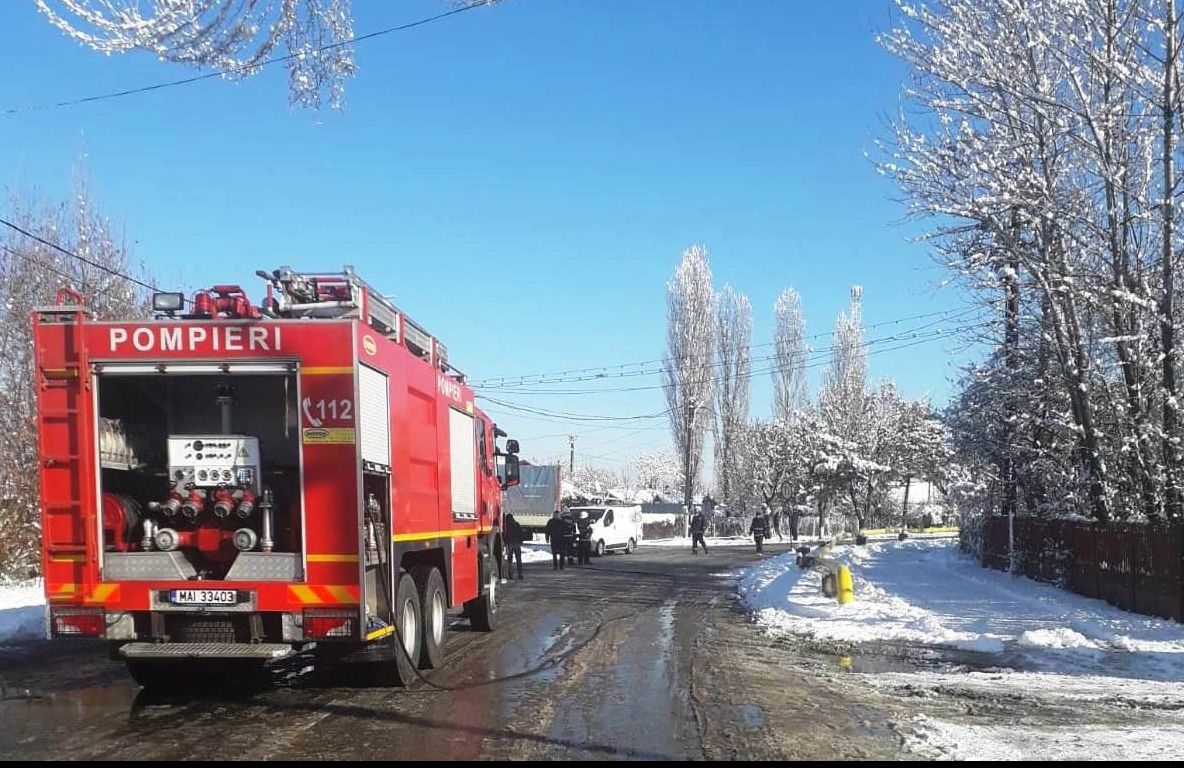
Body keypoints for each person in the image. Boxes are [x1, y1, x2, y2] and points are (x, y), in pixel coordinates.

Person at [503, 513, 525, 580]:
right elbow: (521, 533)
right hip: (517, 544)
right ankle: (520, 574)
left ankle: (510, 574)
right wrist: (520, 541)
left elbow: (504, 535)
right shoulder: (516, 524)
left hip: (510, 544)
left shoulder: (506, 526)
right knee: (519, 560)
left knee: (510, 560)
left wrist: (505, 542)